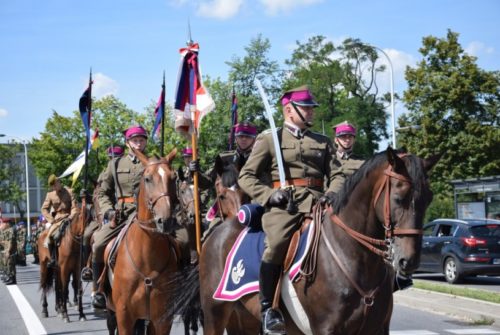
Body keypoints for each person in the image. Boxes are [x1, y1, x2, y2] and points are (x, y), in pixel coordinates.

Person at [239, 85, 340, 334]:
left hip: (319, 203)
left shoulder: (323, 142)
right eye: (306, 108)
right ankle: (269, 310)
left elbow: (338, 174)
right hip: (285, 206)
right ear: (289, 110)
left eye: (311, 108)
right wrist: (269, 195)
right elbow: (246, 176)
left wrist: (331, 193)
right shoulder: (269, 139)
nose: (311, 113)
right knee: (276, 244)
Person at [81, 145, 124, 282]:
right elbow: (98, 195)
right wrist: (86, 197)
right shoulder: (103, 175)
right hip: (102, 214)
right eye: (111, 157)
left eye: (116, 157)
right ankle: (88, 267)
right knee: (87, 235)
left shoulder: (124, 170)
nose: (114, 159)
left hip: (121, 210)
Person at [41, 174, 80, 267]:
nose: (54, 187)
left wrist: (71, 216)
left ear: (59, 182)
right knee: (50, 237)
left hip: (71, 217)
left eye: (55, 185)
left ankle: (84, 259)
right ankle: (53, 259)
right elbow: (44, 209)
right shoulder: (50, 195)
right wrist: (51, 220)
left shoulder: (70, 192)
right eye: (52, 186)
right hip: (58, 220)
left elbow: (75, 207)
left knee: (82, 234)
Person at [329, 121, 365, 194]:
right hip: (329, 200)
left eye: (350, 137)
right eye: (343, 136)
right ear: (336, 140)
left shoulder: (362, 162)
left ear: (354, 140)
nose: (347, 140)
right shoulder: (328, 159)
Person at [1, 220, 17, 285]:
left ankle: (13, 279)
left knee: (11, 264)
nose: (2, 224)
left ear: (7, 224)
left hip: (11, 250)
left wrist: (8, 251)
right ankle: (10, 277)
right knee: (8, 264)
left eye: (4, 223)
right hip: (7, 249)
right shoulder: (8, 230)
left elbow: (10, 241)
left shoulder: (11, 230)